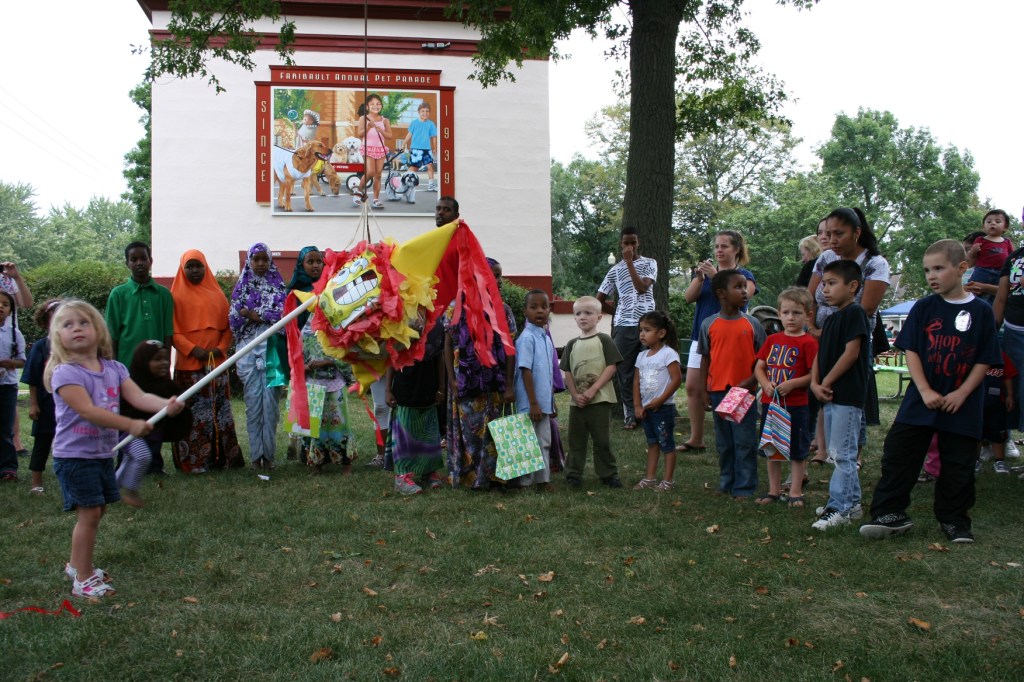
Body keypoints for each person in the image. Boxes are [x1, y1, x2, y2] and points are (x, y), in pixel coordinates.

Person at [860, 240, 999, 543]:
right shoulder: (924, 307)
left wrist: (961, 394)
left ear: (962, 268)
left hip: (963, 403)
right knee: (899, 454)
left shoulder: (981, 312)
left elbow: (985, 359)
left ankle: (954, 521)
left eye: (938, 268)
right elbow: (912, 351)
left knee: (958, 464)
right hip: (921, 400)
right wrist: (923, 390)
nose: (931, 276)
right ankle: (889, 513)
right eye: (926, 270)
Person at [44, 300, 182, 598]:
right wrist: (130, 425)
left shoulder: (114, 368)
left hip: (101, 454)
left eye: (84, 322)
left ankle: (76, 563)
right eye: (67, 325)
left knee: (98, 510)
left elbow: (140, 396)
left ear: (99, 331)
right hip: (75, 457)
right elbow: (89, 411)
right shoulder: (65, 374)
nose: (76, 328)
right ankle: (82, 578)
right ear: (58, 336)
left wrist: (165, 405)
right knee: (90, 513)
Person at [807, 208, 890, 463]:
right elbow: (809, 296)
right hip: (821, 337)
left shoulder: (875, 263)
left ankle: (853, 452)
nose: (831, 240)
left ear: (856, 233)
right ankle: (827, 447)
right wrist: (813, 328)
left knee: (851, 396)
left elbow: (865, 309)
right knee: (823, 393)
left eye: (838, 234)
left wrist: (828, 330)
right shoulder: (826, 258)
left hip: (853, 339)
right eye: (828, 233)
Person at [444, 257, 516, 491]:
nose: (498, 280)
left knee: (494, 432)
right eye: (493, 274)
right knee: (469, 433)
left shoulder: (502, 309)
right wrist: (452, 381)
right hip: (464, 381)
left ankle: (493, 478)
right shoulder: (455, 308)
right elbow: (447, 345)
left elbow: (509, 349)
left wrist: (509, 386)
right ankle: (470, 477)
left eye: (499, 275)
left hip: (494, 382)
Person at [682, 230, 757, 452]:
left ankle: (736, 437)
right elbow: (688, 298)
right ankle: (696, 439)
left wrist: (717, 277)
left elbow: (743, 300)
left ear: (736, 249)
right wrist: (699, 278)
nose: (719, 250)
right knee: (693, 386)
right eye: (716, 246)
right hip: (701, 336)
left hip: (730, 339)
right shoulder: (705, 276)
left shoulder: (744, 275)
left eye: (724, 246)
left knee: (731, 386)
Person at [809, 260, 871, 530]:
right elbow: (820, 355)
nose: (824, 290)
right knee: (837, 452)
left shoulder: (855, 314)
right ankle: (852, 503)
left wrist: (828, 381)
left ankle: (840, 508)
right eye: (823, 284)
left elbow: (851, 353)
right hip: (828, 393)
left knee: (843, 453)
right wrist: (814, 382)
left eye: (832, 283)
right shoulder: (832, 318)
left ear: (853, 286)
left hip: (846, 394)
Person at [170, 249, 242, 472]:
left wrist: (220, 349)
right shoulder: (175, 296)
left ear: (205, 267)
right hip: (188, 367)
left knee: (219, 412)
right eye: (189, 266)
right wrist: (193, 350)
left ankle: (223, 460)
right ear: (183, 269)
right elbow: (172, 332)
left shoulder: (217, 294)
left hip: (216, 365)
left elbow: (228, 327)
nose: (194, 270)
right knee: (191, 415)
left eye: (198, 266)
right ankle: (193, 463)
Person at [698, 270, 766, 498]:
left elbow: (763, 360)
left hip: (743, 392)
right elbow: (705, 358)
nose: (744, 291)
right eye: (738, 287)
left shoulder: (752, 324)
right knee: (724, 443)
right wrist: (703, 389)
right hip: (718, 391)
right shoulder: (709, 324)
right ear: (721, 294)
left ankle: (745, 487)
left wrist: (751, 381)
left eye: (745, 287)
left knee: (744, 441)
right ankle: (726, 483)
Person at [753, 288, 818, 508]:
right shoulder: (772, 340)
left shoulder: (809, 343)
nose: (791, 318)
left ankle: (796, 491)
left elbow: (813, 375)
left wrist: (793, 384)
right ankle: (774, 490)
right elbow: (759, 367)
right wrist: (764, 383)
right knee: (773, 448)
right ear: (779, 314)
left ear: (807, 315)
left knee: (798, 450)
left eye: (797, 313)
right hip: (771, 405)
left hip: (796, 406)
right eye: (786, 312)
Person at [229, 243, 287, 470]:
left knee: (270, 406)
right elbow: (234, 319)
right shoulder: (241, 287)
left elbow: (284, 316)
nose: (261, 264)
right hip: (247, 352)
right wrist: (256, 316)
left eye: (265, 259)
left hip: (271, 350)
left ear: (270, 261)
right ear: (249, 261)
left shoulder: (279, 287)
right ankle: (255, 457)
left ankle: (269, 457)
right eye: (256, 259)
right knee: (253, 405)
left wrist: (254, 314)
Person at [596, 226, 657, 431]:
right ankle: (630, 415)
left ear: (638, 243)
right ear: (621, 244)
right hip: (623, 327)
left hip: (647, 324)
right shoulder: (614, 270)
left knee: (649, 370)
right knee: (625, 372)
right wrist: (617, 312)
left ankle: (649, 412)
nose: (630, 246)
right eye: (626, 243)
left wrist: (630, 262)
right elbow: (599, 299)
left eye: (633, 242)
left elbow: (642, 288)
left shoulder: (650, 263)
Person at [560, 296, 623, 489]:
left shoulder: (604, 340)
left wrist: (593, 390)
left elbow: (611, 367)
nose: (583, 317)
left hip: (600, 401)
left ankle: (608, 474)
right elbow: (568, 373)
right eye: (578, 313)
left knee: (601, 440)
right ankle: (573, 474)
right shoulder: (571, 344)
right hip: (577, 403)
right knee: (576, 440)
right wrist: (575, 395)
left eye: (588, 313)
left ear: (599, 317)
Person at [119, 341, 192, 506]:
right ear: (143, 362)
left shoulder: (166, 385)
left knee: (130, 461)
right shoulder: (131, 385)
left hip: (150, 434)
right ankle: (131, 492)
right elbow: (128, 407)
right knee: (142, 456)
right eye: (157, 359)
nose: (164, 363)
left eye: (165, 358)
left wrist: (175, 407)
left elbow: (177, 402)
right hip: (127, 432)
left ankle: (111, 486)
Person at [386, 323, 446, 495]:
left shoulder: (435, 325)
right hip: (405, 388)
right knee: (405, 430)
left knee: (429, 430)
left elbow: (439, 356)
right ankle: (402, 476)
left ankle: (429, 471)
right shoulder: (399, 322)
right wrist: (388, 389)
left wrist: (441, 387)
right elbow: (392, 356)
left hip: (429, 387)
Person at [632, 311, 683, 491]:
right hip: (647, 409)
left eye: (647, 330)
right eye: (641, 330)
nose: (642, 334)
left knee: (666, 444)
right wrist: (637, 405)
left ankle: (668, 480)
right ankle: (650, 478)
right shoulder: (641, 357)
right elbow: (636, 381)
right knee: (652, 443)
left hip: (663, 409)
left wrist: (660, 400)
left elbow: (677, 380)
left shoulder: (668, 354)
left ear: (661, 333)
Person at [299, 313, 355, 475]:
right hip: (314, 384)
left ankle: (346, 464)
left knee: (341, 424)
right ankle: (317, 464)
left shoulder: (339, 328)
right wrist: (306, 367)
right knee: (316, 426)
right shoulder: (306, 331)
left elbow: (348, 355)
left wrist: (326, 362)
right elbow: (298, 358)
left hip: (335, 383)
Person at [105, 241, 174, 366]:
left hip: (156, 368)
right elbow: (112, 334)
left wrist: (166, 363)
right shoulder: (118, 294)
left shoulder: (164, 294)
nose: (139, 263)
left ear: (150, 261)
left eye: (143, 258)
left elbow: (168, 334)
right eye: (134, 259)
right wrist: (113, 367)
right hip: (126, 367)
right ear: (127, 263)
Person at [285, 246, 325, 462]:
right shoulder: (293, 293)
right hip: (300, 354)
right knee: (300, 399)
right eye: (310, 261)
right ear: (301, 265)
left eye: (319, 261)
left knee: (319, 404)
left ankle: (315, 449)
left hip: (322, 354)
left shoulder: (327, 288)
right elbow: (288, 329)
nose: (316, 265)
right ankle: (296, 445)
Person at [514, 289, 556, 490]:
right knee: (527, 443)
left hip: (543, 403)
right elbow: (526, 371)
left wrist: (550, 403)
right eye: (534, 307)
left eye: (544, 306)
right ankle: (525, 481)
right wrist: (533, 403)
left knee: (543, 441)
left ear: (550, 310)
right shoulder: (527, 338)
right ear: (525, 311)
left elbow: (546, 375)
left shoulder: (546, 338)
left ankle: (543, 479)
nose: (539, 311)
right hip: (530, 403)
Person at [22, 299, 62, 493]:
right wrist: (33, 404)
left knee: (70, 443)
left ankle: (69, 476)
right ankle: (36, 483)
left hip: (71, 405)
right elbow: (33, 379)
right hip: (47, 405)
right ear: (45, 322)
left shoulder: (75, 347)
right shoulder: (40, 347)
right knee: (42, 442)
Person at [1, 261, 33, 457]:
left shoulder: (6, 278)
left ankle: (16, 442)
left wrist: (16, 276)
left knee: (8, 397)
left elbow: (27, 303)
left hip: (7, 339)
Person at [0, 291, 26, 481]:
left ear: (10, 310)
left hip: (7, 386)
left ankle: (8, 468)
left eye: (5, 304)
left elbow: (22, 361)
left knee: (5, 428)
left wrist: (8, 364)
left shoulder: (14, 334)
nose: (1, 306)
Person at [353, 94, 392, 210]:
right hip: (368, 148)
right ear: (367, 106)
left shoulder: (385, 120)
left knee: (378, 175)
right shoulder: (363, 118)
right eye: (372, 104)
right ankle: (358, 191)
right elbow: (360, 134)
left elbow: (390, 136)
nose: (376, 106)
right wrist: (369, 127)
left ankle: (376, 199)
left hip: (380, 148)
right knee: (370, 172)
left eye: (378, 103)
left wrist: (381, 131)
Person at [966, 209, 1013, 294]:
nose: (993, 223)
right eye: (989, 221)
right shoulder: (980, 239)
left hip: (1000, 273)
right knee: (974, 290)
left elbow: (1012, 257)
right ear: (983, 226)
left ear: (1005, 227)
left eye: (997, 221)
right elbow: (971, 259)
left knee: (997, 294)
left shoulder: (1007, 242)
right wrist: (973, 251)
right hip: (981, 271)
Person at [403, 101, 439, 193]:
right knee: (414, 167)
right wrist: (404, 143)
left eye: (427, 111)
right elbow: (409, 134)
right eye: (423, 111)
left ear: (429, 113)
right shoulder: (414, 123)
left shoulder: (431, 124)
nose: (425, 113)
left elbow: (433, 137)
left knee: (430, 166)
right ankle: (404, 181)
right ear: (419, 112)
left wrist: (434, 147)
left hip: (427, 149)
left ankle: (431, 185)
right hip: (415, 149)